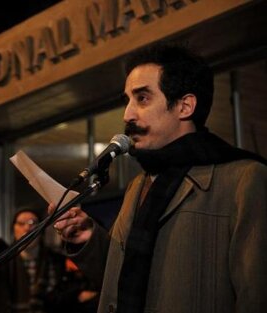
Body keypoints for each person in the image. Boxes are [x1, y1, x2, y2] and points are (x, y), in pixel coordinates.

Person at [50, 44, 267, 313]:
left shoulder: (244, 179)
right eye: (128, 99)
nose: (127, 114)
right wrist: (87, 238)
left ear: (185, 106)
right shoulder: (139, 185)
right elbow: (125, 276)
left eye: (142, 98)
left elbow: (256, 297)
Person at [9, 208, 65, 313]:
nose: (27, 227)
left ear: (41, 228)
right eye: (21, 223)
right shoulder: (4, 263)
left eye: (33, 223)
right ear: (13, 229)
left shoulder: (56, 260)